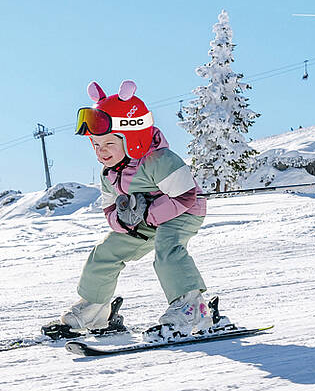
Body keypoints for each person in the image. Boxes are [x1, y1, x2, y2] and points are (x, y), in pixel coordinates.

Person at [43, 80, 228, 341]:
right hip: (145, 220)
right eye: (95, 145)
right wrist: (123, 220)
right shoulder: (110, 173)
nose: (101, 152)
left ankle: (191, 308)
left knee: (167, 247)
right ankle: (96, 310)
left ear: (132, 139)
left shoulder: (160, 161)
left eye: (108, 144)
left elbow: (186, 196)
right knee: (106, 251)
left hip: (184, 212)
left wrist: (148, 214)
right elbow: (109, 207)